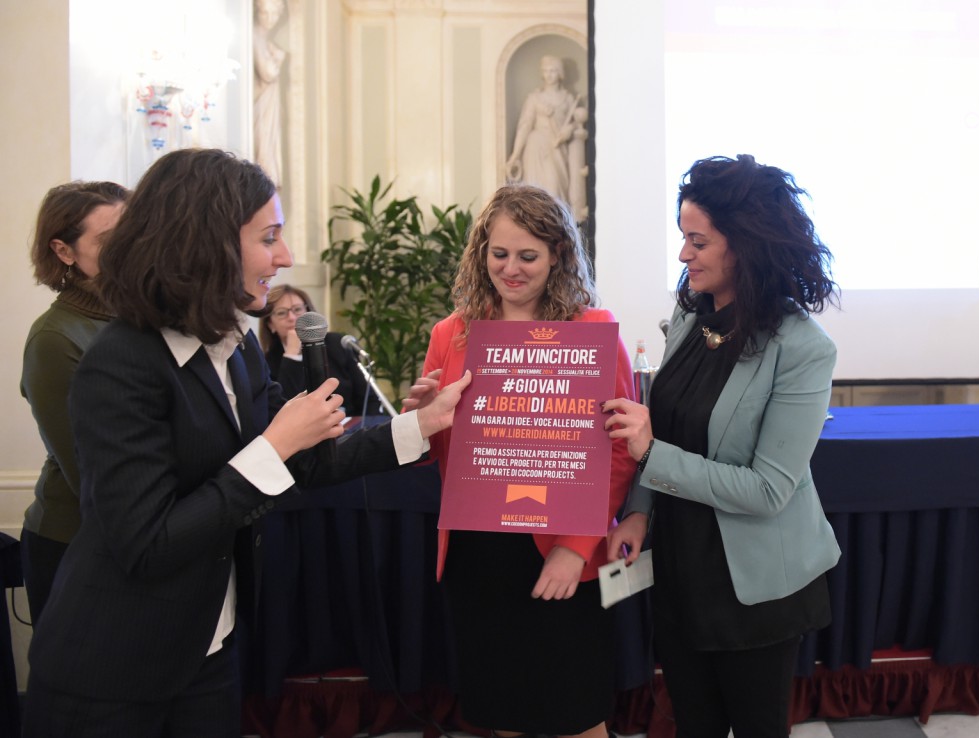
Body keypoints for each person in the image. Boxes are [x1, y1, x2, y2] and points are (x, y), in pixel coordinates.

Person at [21, 148, 470, 737]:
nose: (284, 258)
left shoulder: (235, 346)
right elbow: (147, 543)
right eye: (270, 238)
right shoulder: (118, 364)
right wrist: (275, 446)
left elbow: (304, 462)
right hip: (117, 666)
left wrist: (422, 424)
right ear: (205, 242)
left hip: (212, 645)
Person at [606, 154, 841, 738]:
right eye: (682, 238)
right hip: (682, 571)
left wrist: (649, 455)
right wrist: (637, 512)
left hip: (755, 590)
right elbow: (667, 428)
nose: (684, 255)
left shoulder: (804, 347)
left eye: (697, 241)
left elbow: (767, 491)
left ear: (745, 246)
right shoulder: (690, 315)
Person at [405, 184, 636, 738]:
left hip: (562, 555)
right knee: (503, 713)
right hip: (480, 555)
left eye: (528, 255)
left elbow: (620, 455)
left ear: (557, 254)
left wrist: (571, 550)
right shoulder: (452, 333)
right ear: (481, 253)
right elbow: (444, 457)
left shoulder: (592, 331)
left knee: (576, 717)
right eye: (498, 253)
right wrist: (421, 421)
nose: (510, 269)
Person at [20, 180, 129, 625]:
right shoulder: (55, 337)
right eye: (109, 241)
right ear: (64, 252)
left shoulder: (140, 319)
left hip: (131, 532)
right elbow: (87, 469)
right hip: (74, 542)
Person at [258, 284, 384, 415]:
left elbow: (369, 399)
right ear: (270, 324)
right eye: (282, 313)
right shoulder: (267, 362)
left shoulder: (337, 343)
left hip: (350, 426)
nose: (292, 318)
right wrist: (291, 356)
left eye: (297, 309)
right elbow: (282, 409)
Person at [506, 55, 588, 222]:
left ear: (560, 73)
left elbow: (576, 124)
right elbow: (525, 126)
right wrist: (515, 155)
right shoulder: (534, 99)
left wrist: (569, 130)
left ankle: (556, 227)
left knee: (556, 189)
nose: (549, 75)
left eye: (553, 71)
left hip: (558, 148)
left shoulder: (568, 98)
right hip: (536, 146)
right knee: (538, 191)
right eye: (545, 71)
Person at [253, 0, 286, 187]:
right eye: (266, 13)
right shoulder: (254, 35)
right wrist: (278, 58)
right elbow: (268, 72)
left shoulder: (266, 40)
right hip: (261, 102)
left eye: (274, 14)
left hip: (269, 102)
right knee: (262, 149)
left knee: (267, 147)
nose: (270, 19)